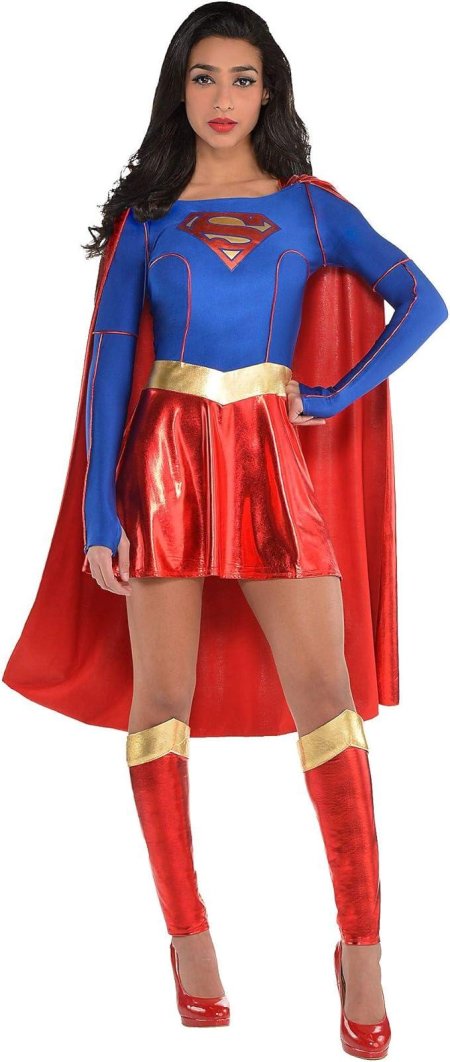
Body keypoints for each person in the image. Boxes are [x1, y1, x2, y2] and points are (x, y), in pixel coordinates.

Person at [2, 2, 448, 1053]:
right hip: (163, 465)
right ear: (179, 89)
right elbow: (110, 366)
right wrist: (100, 512)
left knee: (329, 699)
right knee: (161, 702)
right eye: (203, 77)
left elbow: (423, 302)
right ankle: (189, 938)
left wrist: (333, 396)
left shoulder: (312, 209)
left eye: (243, 78)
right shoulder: (148, 221)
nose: (222, 98)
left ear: (269, 92)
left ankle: (364, 949)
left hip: (270, 458)